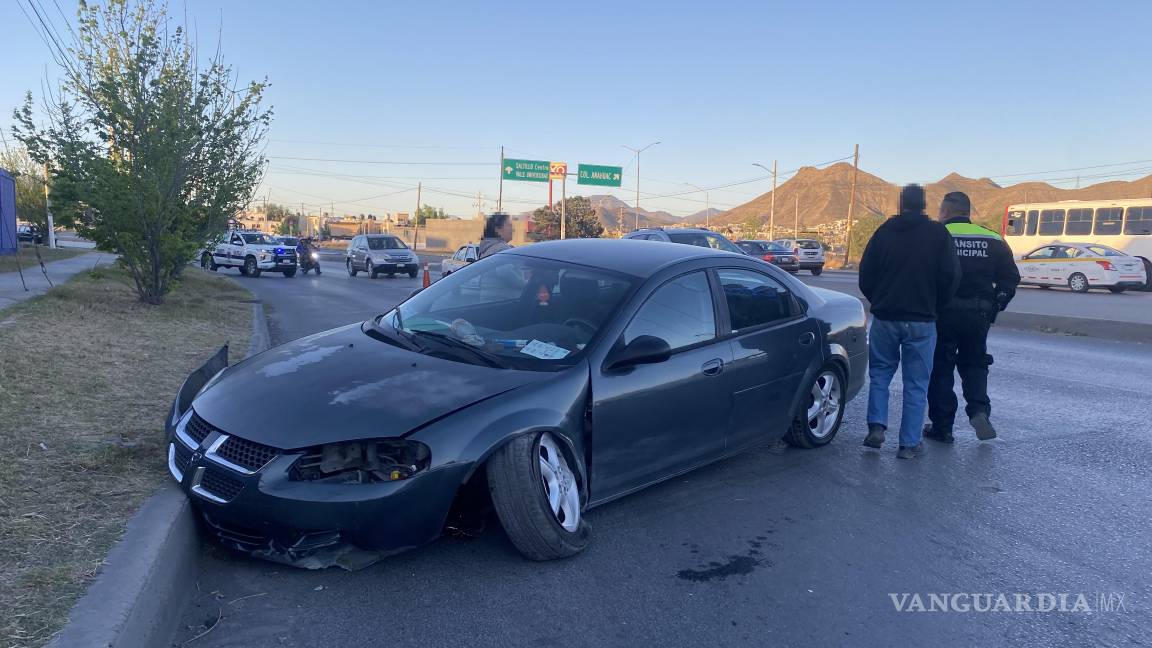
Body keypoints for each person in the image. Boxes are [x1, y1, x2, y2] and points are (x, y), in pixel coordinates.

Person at [859, 184, 960, 459]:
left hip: (886, 317)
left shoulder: (883, 233)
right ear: (925, 205)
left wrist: (879, 300)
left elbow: (865, 275)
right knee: (916, 383)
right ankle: (908, 443)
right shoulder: (938, 234)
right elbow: (951, 277)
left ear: (900, 204)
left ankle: (876, 426)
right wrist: (934, 306)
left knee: (880, 375)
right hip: (922, 321)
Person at [925, 192, 1020, 443]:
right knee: (975, 364)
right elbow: (1010, 277)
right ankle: (979, 411)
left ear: (945, 211)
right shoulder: (991, 237)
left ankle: (942, 427)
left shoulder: (936, 235)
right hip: (978, 313)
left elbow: (921, 274)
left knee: (941, 368)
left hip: (942, 313)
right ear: (968, 212)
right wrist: (996, 305)